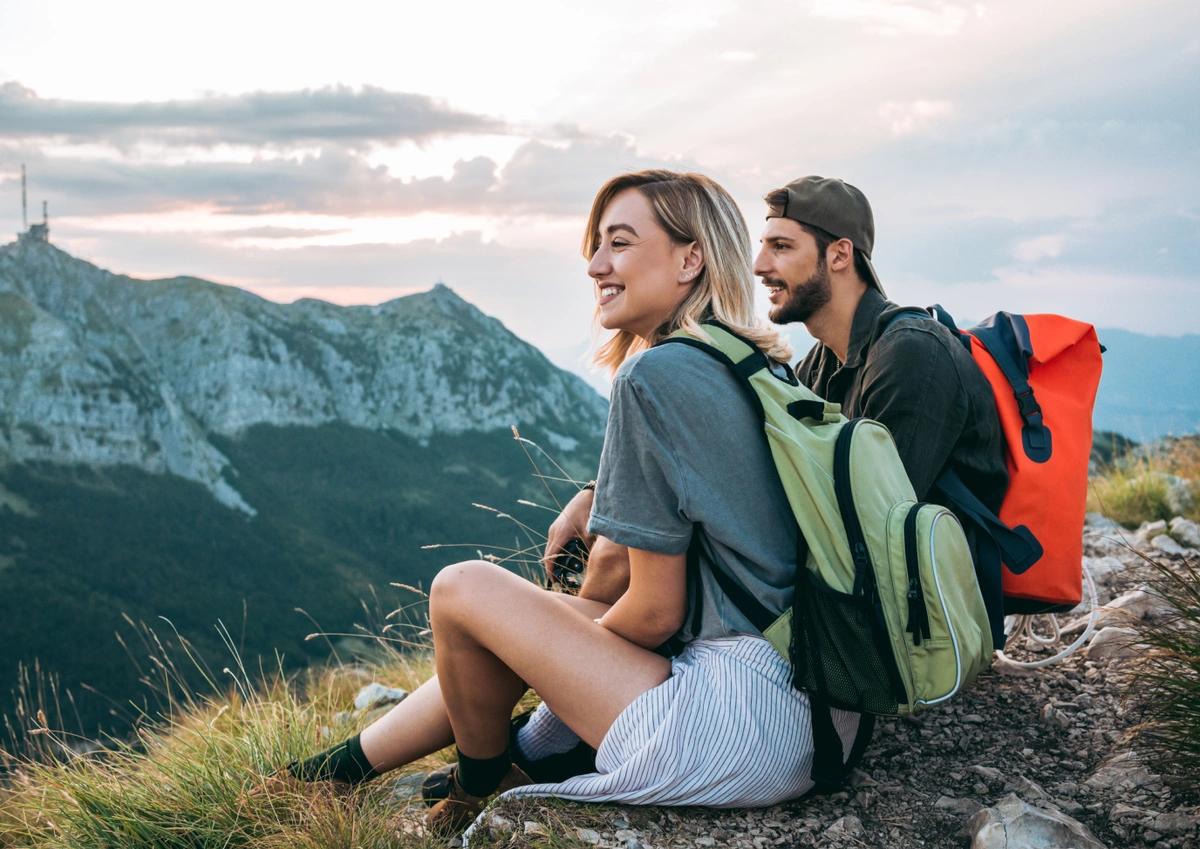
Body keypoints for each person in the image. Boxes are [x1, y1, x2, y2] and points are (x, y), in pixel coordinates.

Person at [256, 170, 860, 834]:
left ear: (691, 258)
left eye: (620, 244)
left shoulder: (653, 373)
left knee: (462, 588)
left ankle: (479, 778)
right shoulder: (752, 363)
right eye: (596, 247)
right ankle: (328, 775)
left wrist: (548, 691)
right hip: (815, 711)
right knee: (530, 619)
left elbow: (655, 611)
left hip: (739, 722)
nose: (597, 265)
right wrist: (587, 522)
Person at [538, 175, 1009, 770]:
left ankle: (565, 718)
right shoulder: (816, 366)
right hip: (859, 614)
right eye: (761, 246)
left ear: (840, 255)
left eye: (782, 247)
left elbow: (862, 535)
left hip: (923, 620)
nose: (759, 265)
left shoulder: (911, 355)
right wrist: (596, 490)